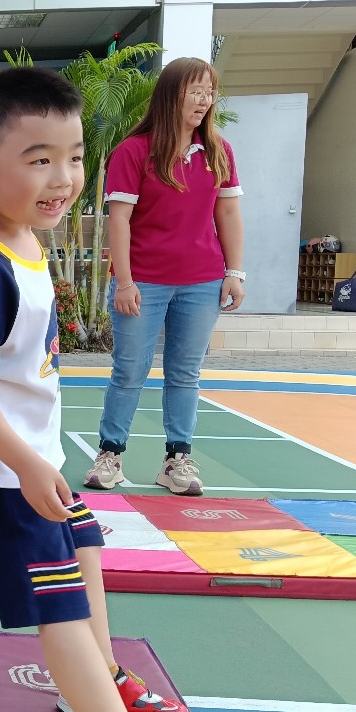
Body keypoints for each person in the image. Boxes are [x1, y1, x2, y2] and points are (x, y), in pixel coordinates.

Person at [0, 67, 242, 712]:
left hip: (29, 462)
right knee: (62, 608)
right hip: (9, 472)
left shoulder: (22, 238)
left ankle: (99, 678)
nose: (63, 178)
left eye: (74, 158)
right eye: (39, 159)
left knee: (86, 546)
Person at [84, 57, 245, 498]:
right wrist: (125, 282)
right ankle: (110, 454)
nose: (205, 100)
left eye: (210, 92)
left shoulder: (219, 151)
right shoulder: (134, 151)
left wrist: (234, 273)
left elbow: (229, 213)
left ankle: (177, 460)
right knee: (129, 370)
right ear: (172, 95)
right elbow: (119, 220)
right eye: (196, 91)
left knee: (185, 373)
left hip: (202, 281)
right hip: (144, 283)